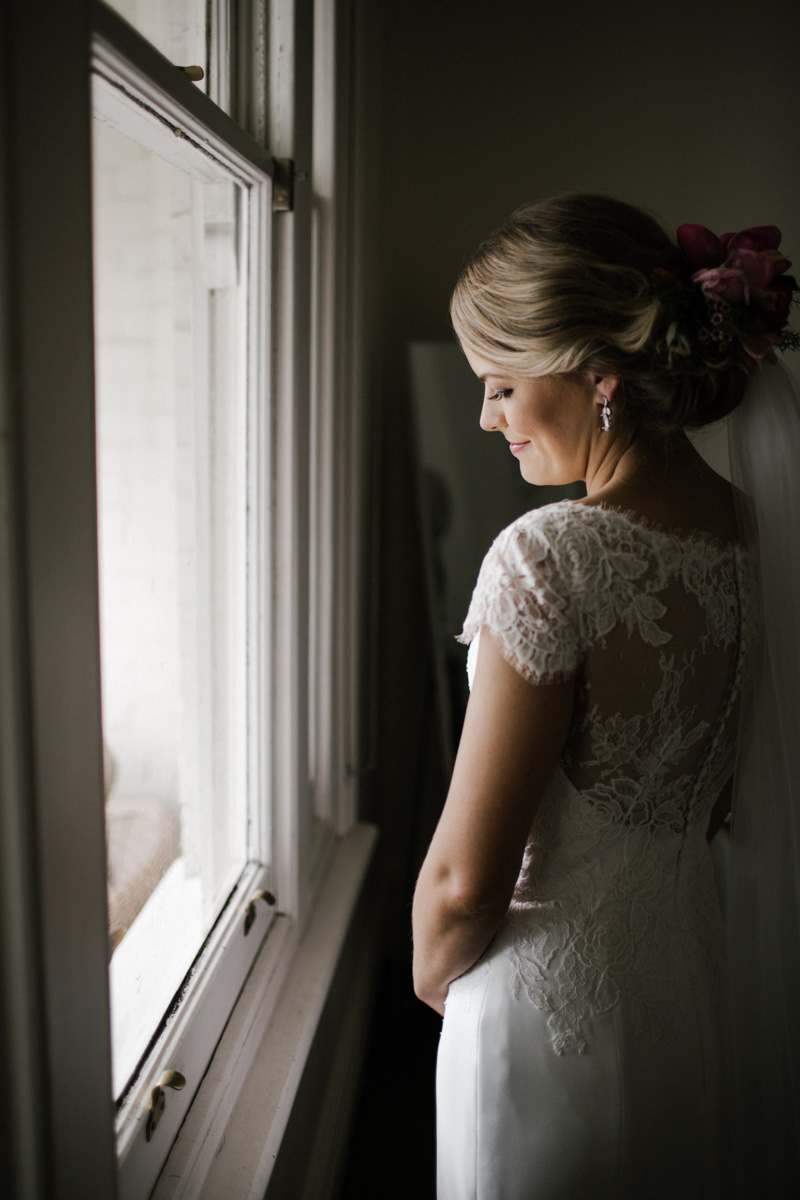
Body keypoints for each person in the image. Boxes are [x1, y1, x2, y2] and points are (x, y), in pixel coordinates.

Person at [411, 194, 800, 1199]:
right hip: (683, 995)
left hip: (544, 1025)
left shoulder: (546, 558)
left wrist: (433, 970)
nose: (486, 418)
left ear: (599, 379)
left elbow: (463, 886)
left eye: (499, 386)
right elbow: (713, 801)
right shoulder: (757, 538)